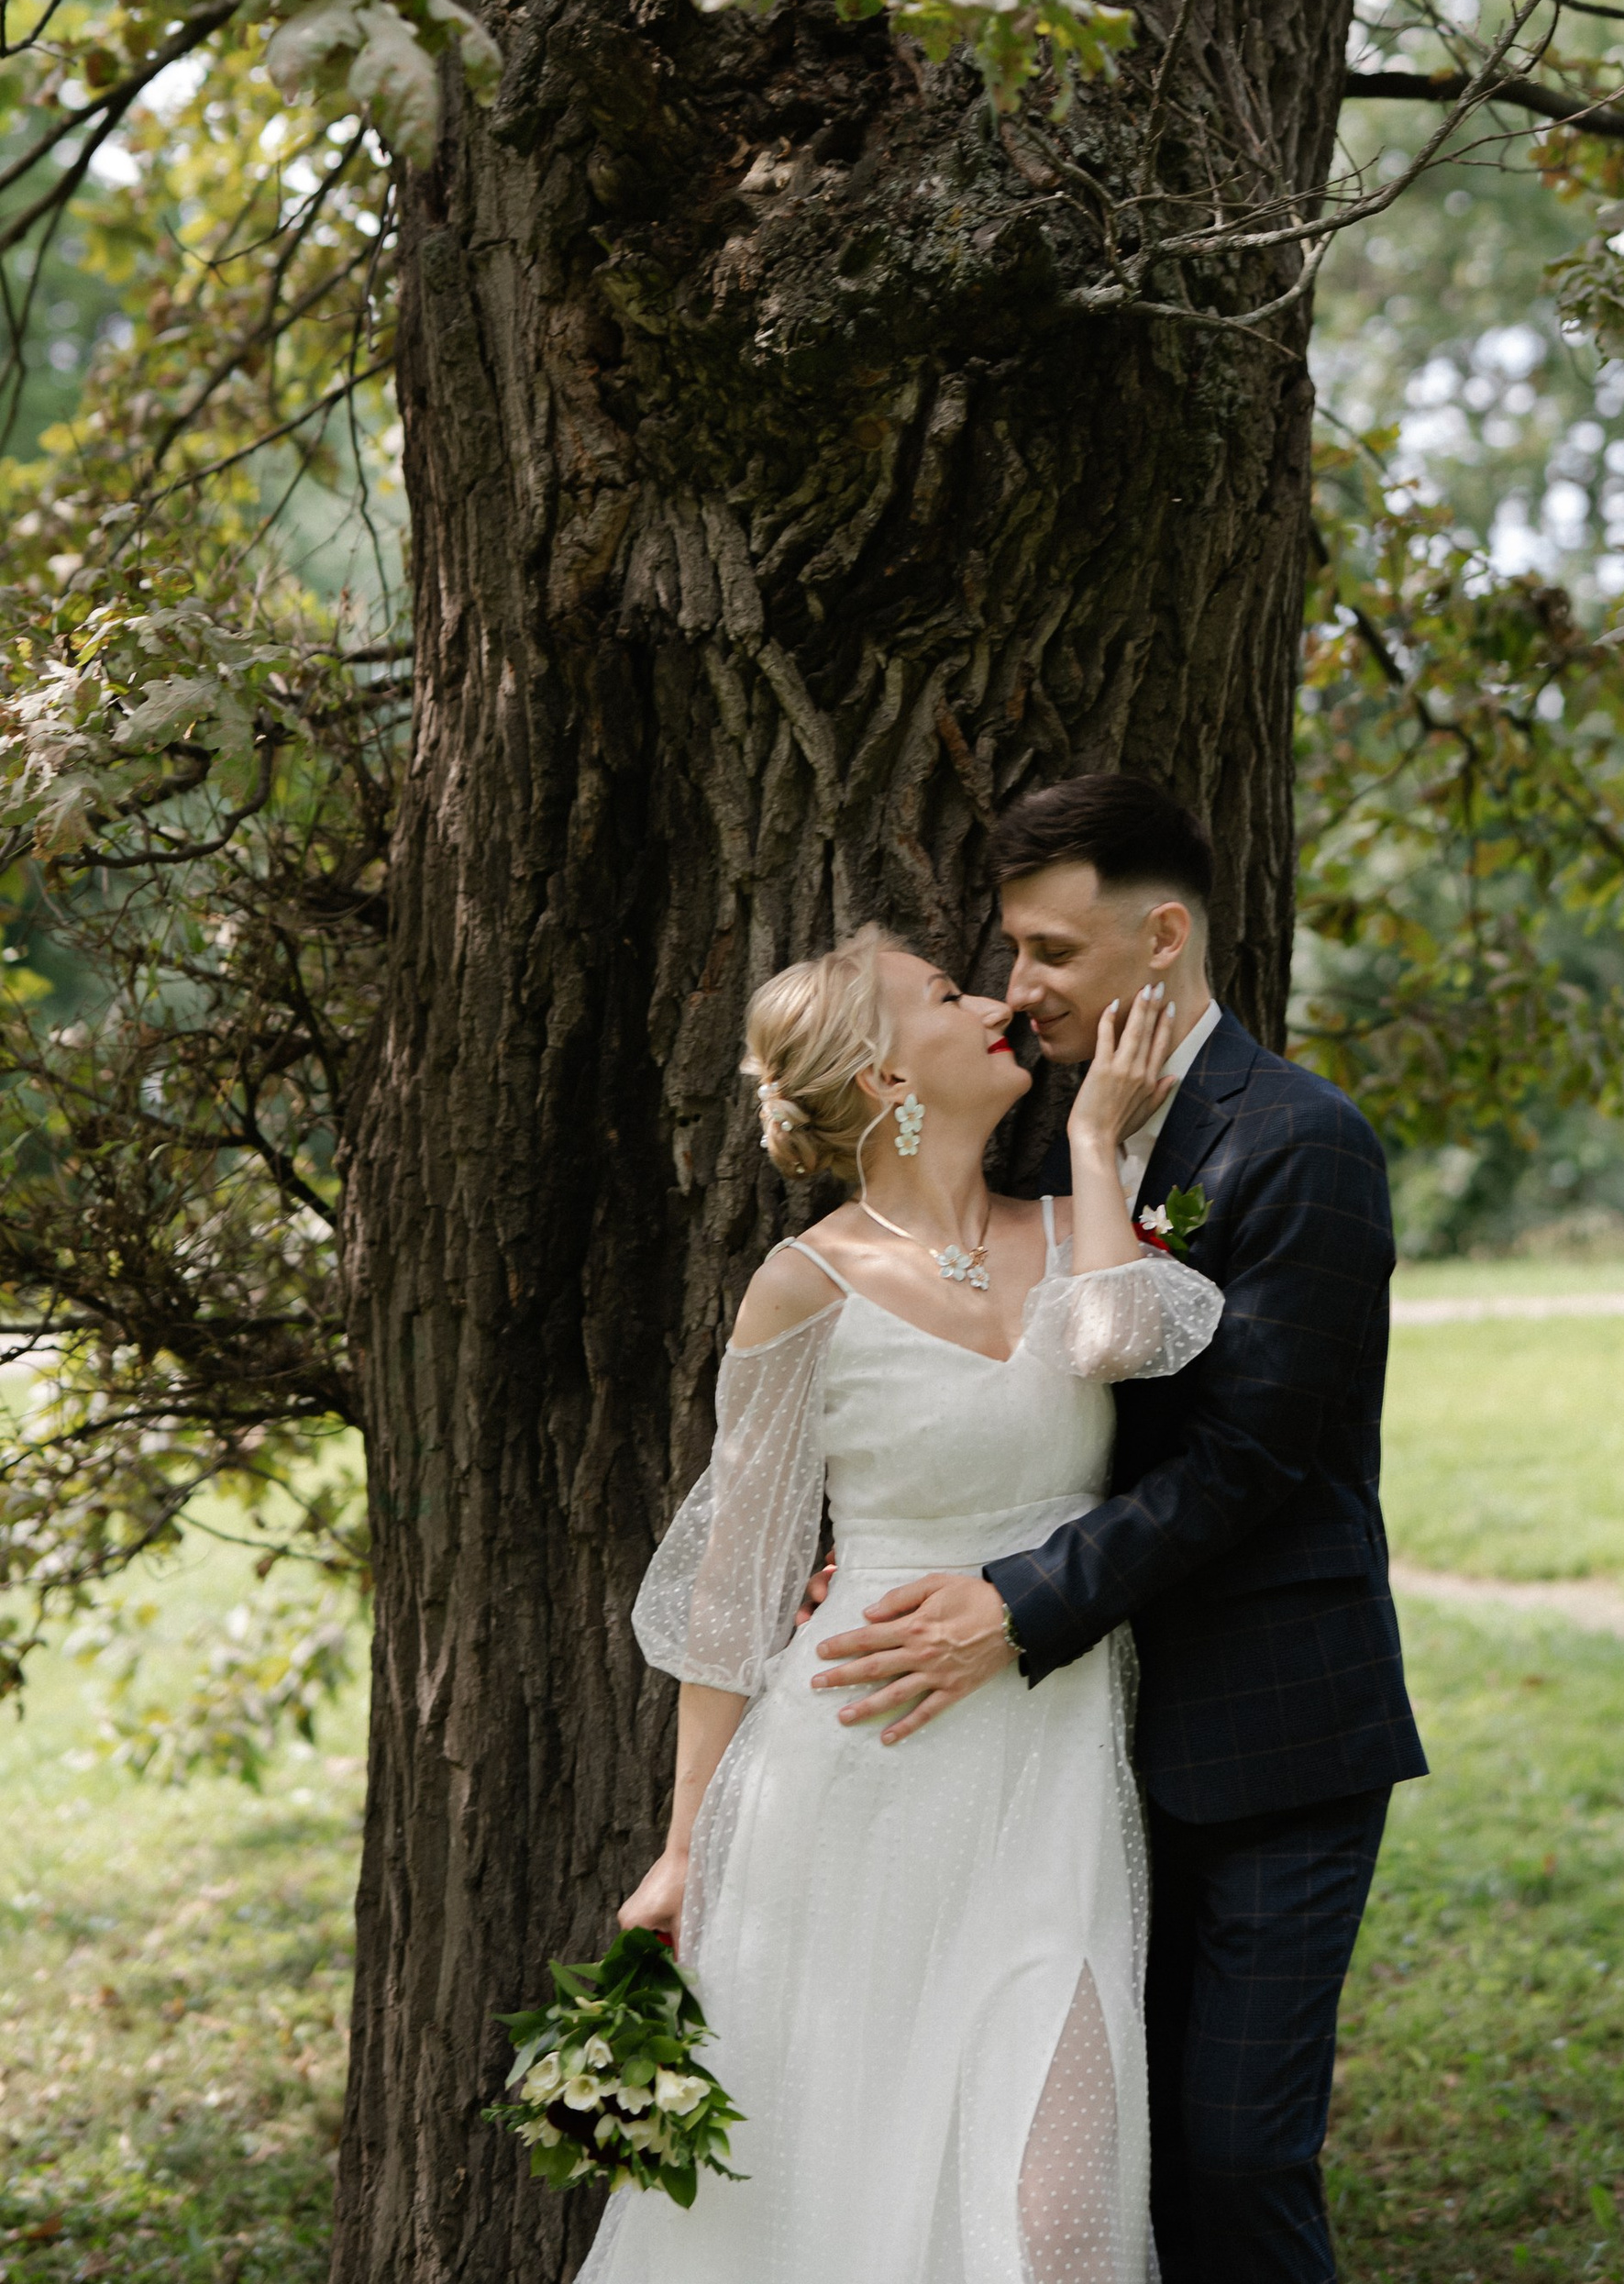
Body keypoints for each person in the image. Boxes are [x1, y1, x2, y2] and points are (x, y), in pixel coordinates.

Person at [812, 774, 1426, 2283]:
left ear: (1162, 938)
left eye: (1051, 954)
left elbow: (1244, 1465)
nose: (1019, 993)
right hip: (1063, 1766)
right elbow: (974, 1369)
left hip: (1268, 1738)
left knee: (1234, 2162)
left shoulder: (1302, 1144)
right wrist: (885, 1541)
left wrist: (1010, 1599)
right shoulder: (1033, 1143)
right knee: (1088, 2177)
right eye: (1008, 954)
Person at [585, 926, 1219, 2283]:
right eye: (948, 994)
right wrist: (688, 1846)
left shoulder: (1074, 1220)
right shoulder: (801, 1284)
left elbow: (1118, 1338)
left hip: (1046, 1778)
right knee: (836, 2196)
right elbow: (737, 1586)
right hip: (850, 1777)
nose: (997, 1001)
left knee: (1059, 2222)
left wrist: (1101, 1138)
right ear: (885, 1073)